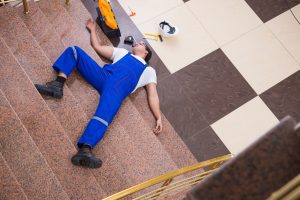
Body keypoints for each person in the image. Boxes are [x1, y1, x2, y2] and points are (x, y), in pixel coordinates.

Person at [35, 19, 163, 169]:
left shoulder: (149, 71)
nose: (136, 43)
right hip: (103, 76)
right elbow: (97, 47)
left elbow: (152, 95)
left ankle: (85, 149)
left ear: (146, 52)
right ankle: (57, 85)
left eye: (140, 43)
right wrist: (93, 30)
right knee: (75, 51)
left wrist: (158, 117)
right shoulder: (122, 53)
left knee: (103, 116)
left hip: (117, 91)